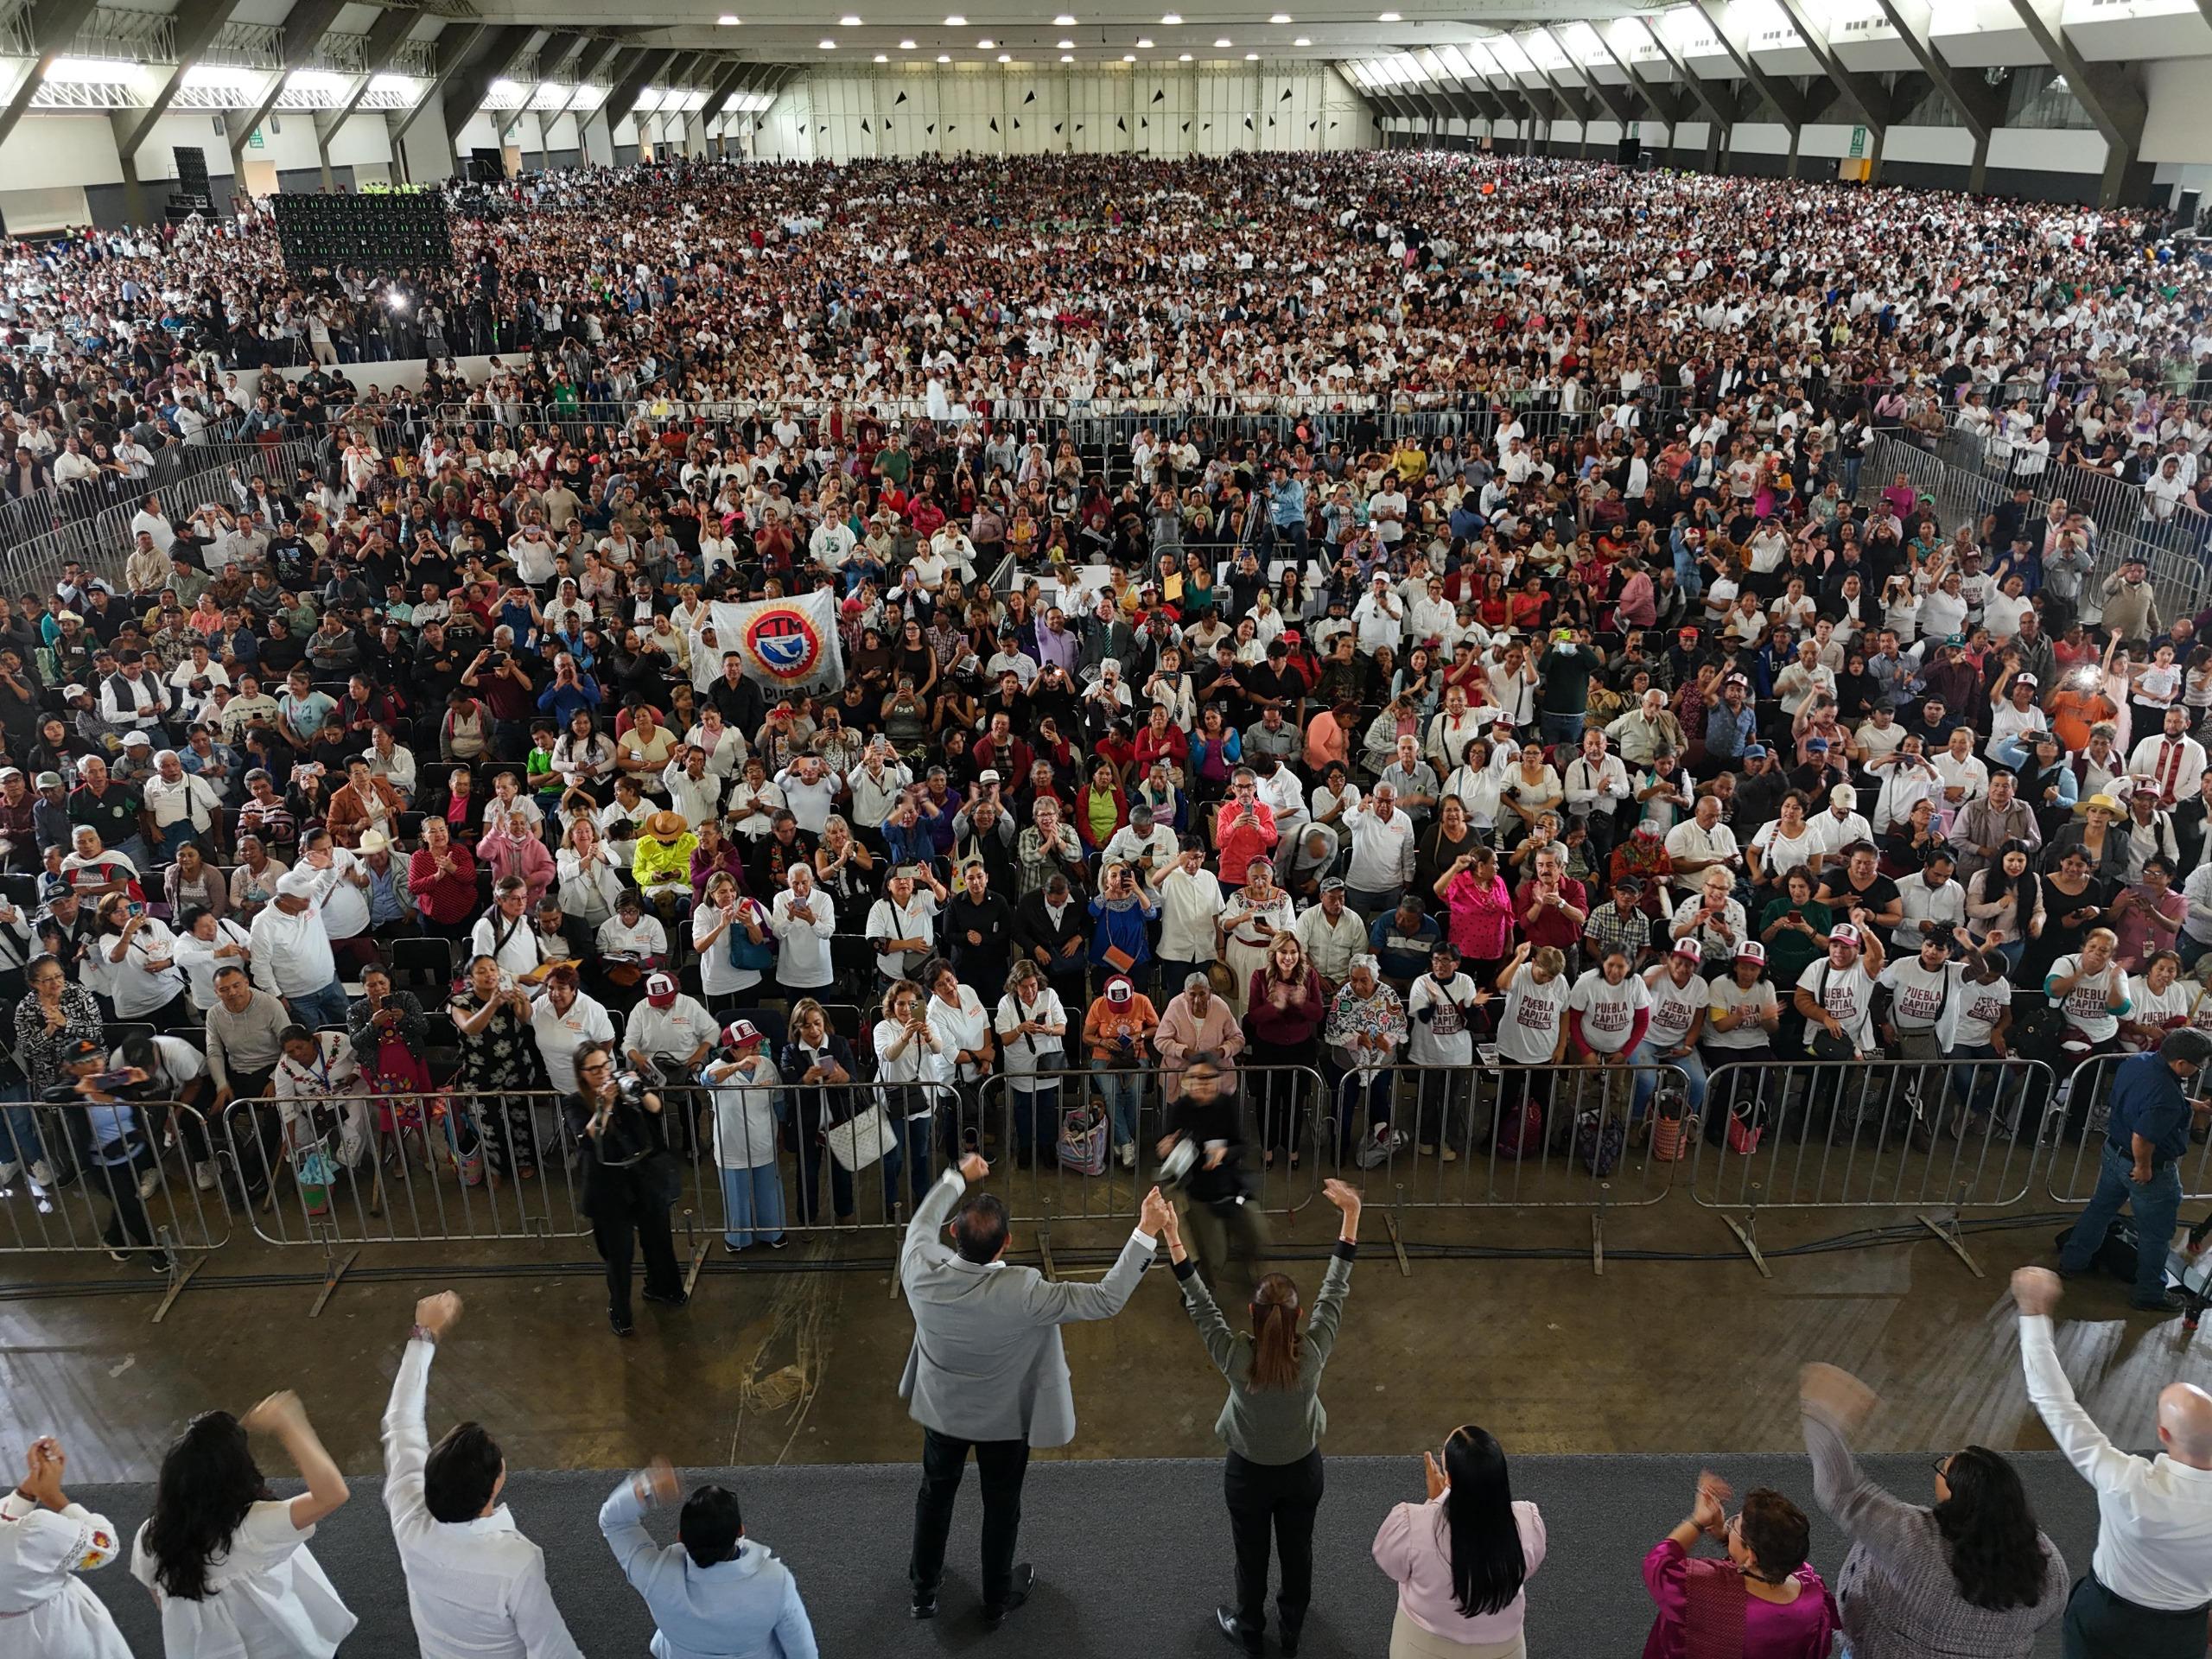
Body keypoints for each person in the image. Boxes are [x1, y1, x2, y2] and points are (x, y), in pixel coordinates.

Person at [900, 1152, 1171, 1628]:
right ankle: (995, 1599)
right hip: (1005, 1423)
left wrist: (957, 1177)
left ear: (953, 1233)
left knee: (934, 1494)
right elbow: (1106, 1298)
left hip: (941, 1411)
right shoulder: (1025, 1291)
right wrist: (1147, 1229)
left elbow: (920, 1223)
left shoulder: (919, 1269)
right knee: (1001, 1506)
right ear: (1007, 1242)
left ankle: (924, 1590)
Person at [1163, 1176, 1362, 1656]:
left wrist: (1172, 1233)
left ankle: (1250, 1627)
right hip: (1302, 1471)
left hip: (1247, 1474)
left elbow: (1200, 1303)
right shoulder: (1312, 1355)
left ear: (1252, 1314)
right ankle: (1292, 1627)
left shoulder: (1236, 1357)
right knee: (1298, 1552)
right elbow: (1335, 1289)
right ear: (1300, 1316)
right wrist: (1352, 1216)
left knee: (1249, 1556)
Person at [2010, 1264, 2212, 1659]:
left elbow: (2056, 1404)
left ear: (2164, 1434)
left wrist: (2033, 1313)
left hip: (2109, 1619)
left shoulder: (2128, 1481)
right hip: (2184, 1629)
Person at [1798, 1362, 2066, 1659]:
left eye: (1943, 1469)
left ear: (1955, 1496)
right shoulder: (2048, 1562)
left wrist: (1820, 1414)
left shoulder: (1913, 1542)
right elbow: (2051, 1612)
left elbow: (1841, 1491)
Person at [383, 1290, 582, 1659]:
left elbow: (401, 1422)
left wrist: (424, 1334)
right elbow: (552, 1647)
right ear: (496, 1483)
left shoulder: (408, 1515)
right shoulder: (516, 1562)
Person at [130, 1389, 355, 1656]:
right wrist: (289, 1425)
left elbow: (161, 1600)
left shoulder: (150, 1536)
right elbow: (331, 1494)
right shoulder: (255, 1527)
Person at [598, 1457, 819, 1659]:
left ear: (681, 1537)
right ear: (740, 1531)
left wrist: (646, 1488)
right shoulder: (776, 1581)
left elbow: (614, 1522)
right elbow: (802, 1651)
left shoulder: (654, 1576)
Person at [2054, 1028, 2212, 1311]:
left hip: (2114, 1152)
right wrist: (2143, 1167)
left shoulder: (2139, 1062)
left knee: (2100, 1209)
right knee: (2156, 1234)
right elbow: (2143, 1137)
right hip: (2147, 1168)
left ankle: (2072, 1261)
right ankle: (2149, 1293)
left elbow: (2145, 1099)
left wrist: (2192, 1105)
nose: (2199, 1070)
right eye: (2198, 1066)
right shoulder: (2166, 1094)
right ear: (2181, 1064)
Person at [1371, 1425, 1546, 1659]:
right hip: (1505, 1650)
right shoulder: (1527, 1522)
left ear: (1450, 1478)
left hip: (1422, 1648)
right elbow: (1527, 1569)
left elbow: (1392, 1566)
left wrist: (1434, 1503)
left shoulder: (1410, 1525)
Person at [1641, 1470, 1839, 1658]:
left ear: (1751, 1555)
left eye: (1735, 1524)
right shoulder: (1814, 1597)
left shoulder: (1705, 1590)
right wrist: (1726, 1538)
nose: (1729, 1524)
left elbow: (1659, 1564)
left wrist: (1698, 1521)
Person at [567, 1041, 689, 1336]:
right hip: (607, 1187)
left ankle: (664, 1288)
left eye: (605, 1065)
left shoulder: (623, 1087)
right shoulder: (575, 1102)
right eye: (594, 1069)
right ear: (581, 1073)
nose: (602, 1073)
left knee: (659, 1240)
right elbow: (588, 1137)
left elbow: (656, 1109)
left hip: (642, 1177)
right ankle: (620, 1312)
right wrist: (605, 1105)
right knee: (619, 1254)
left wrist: (639, 1089)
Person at [0, 1434, 131, 1659]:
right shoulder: (37, 1532)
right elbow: (105, 1547)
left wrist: (28, 1491)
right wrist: (55, 1497)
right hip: (58, 1628)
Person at [702, 1018, 785, 1253]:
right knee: (736, 1197)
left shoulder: (767, 1065)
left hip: (764, 1141)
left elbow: (778, 1099)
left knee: (768, 1193)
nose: (756, 1049)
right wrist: (737, 1067)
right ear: (733, 1049)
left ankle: (773, 1233)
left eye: (757, 1044)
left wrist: (782, 1131)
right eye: (749, 1046)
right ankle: (737, 1239)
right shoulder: (717, 1068)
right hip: (733, 1147)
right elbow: (706, 1080)